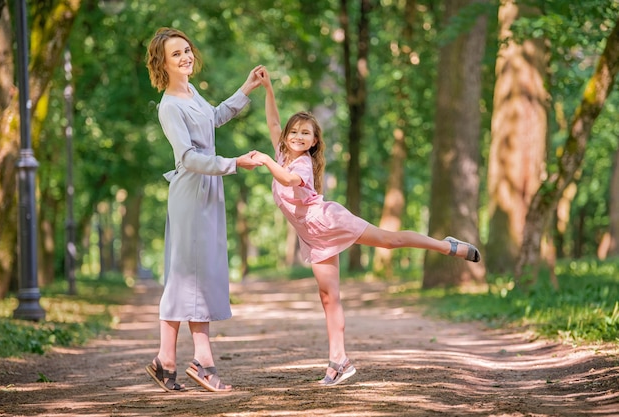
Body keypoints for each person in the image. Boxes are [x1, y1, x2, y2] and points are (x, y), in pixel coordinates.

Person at [252, 67, 481, 386]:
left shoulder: (299, 164)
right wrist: (269, 89)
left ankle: (445, 245)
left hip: (328, 220)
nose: (298, 136)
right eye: (295, 132)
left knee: (389, 241)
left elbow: (288, 179)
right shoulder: (282, 151)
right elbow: (274, 122)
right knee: (328, 297)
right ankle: (338, 361)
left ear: (315, 141)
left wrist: (265, 161)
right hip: (312, 237)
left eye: (306, 133)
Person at [144, 27, 263, 393]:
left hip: (208, 190)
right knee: (192, 277)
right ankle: (203, 362)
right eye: (176, 54)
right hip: (192, 192)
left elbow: (213, 118)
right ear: (163, 64)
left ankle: (165, 361)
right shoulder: (169, 106)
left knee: (196, 275)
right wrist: (234, 163)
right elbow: (190, 158)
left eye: (187, 50)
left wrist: (246, 89)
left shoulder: (192, 93)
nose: (186, 57)